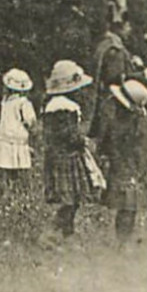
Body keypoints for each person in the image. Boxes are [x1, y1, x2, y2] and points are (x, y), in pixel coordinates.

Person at [42, 59, 103, 239]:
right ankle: (54, 231)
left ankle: (67, 232)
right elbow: (66, 134)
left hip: (63, 155)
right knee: (69, 199)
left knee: (74, 199)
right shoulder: (63, 108)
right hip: (65, 157)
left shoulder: (58, 105)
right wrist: (80, 140)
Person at [94, 77, 147, 243]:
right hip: (127, 167)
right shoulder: (138, 124)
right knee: (128, 207)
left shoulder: (124, 124)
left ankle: (123, 240)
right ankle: (124, 241)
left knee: (127, 206)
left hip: (123, 167)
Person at [0, 69, 37, 193]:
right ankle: (18, 191)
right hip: (18, 137)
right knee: (18, 167)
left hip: (6, 137)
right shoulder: (23, 103)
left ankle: (8, 190)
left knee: (8, 167)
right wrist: (31, 127)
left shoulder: (5, 103)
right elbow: (30, 120)